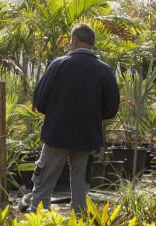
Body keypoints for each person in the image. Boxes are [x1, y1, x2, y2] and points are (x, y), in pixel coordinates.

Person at [23, 24, 120, 215]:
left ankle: (37, 225)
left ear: (74, 40)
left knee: (44, 183)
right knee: (80, 187)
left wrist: (58, 112)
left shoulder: (58, 65)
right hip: (86, 137)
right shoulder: (104, 70)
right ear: (92, 44)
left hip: (57, 134)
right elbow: (111, 109)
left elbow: (40, 100)